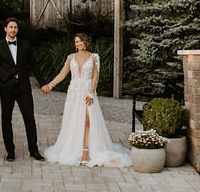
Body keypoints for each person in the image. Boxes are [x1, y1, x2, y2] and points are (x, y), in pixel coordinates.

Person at [40, 33, 131, 167]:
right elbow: (62, 74)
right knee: (74, 120)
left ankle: (86, 152)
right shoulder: (71, 57)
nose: (78, 44)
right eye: (76, 42)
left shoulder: (94, 57)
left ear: (85, 42)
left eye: (80, 41)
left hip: (88, 92)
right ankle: (74, 149)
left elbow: (95, 77)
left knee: (88, 120)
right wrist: (50, 85)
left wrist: (92, 93)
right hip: (74, 93)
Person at [0, 17, 46, 161]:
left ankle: (33, 150)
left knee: (29, 118)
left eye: (15, 27)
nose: (13, 29)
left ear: (17, 30)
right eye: (11, 27)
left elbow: (34, 65)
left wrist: (43, 83)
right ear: (5, 29)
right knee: (6, 119)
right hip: (6, 88)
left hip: (23, 88)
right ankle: (10, 151)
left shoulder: (25, 45)